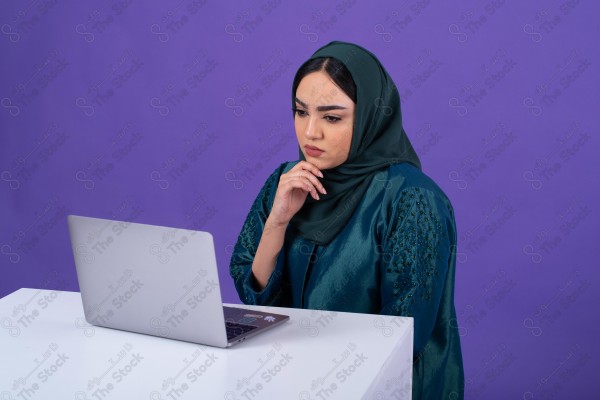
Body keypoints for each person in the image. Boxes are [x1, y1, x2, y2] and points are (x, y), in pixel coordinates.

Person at [229, 41, 464, 400]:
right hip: (295, 383)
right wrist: (277, 222)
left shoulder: (411, 198)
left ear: (372, 116)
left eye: (332, 117)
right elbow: (255, 302)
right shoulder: (288, 181)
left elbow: (403, 334)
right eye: (300, 112)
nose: (310, 133)